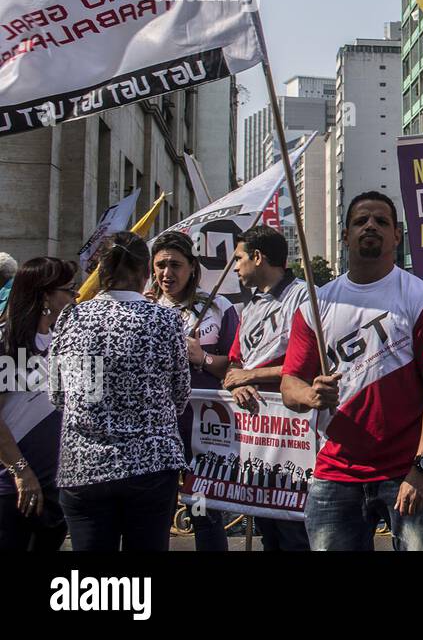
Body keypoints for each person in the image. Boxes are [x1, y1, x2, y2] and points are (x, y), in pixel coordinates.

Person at [282, 191, 423, 551]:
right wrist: (310, 395)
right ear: (346, 235)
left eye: (381, 221)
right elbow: (290, 385)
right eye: (361, 221)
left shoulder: (422, 300)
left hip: (408, 471)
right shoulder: (315, 307)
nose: (370, 226)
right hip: (336, 473)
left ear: (397, 235)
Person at [49, 232, 189, 551]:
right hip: (152, 463)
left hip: (85, 466)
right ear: (145, 274)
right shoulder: (165, 319)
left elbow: (58, 395)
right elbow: (179, 392)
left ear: (100, 272)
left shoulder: (72, 318)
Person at [150, 230, 239, 551]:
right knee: (154, 517)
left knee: (204, 514)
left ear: (192, 267)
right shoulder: (147, 309)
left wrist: (203, 357)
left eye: (175, 265)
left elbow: (236, 367)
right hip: (156, 434)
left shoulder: (219, 307)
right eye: (160, 265)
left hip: (203, 435)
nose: (166, 273)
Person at [225, 226, 312, 551]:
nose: (235, 267)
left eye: (239, 258)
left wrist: (250, 377)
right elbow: (236, 364)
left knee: (296, 532)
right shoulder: (250, 308)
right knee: (269, 530)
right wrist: (237, 386)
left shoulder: (304, 296)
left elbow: (311, 363)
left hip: (297, 435)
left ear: (258, 258)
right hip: (258, 440)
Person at [0, 257, 78, 551]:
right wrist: (22, 472)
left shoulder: (63, 341)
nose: (74, 297)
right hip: (14, 487)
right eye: (69, 290)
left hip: (56, 484)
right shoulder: (7, 342)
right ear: (45, 295)